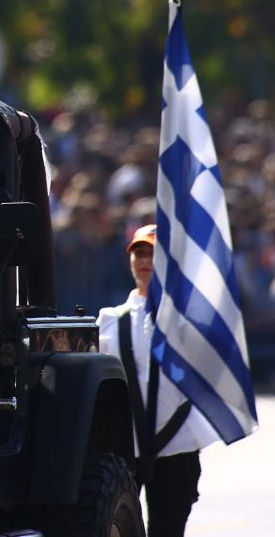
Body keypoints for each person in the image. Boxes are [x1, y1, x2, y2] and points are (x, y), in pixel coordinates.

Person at [96, 224, 219, 537]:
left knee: (167, 530)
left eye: (153, 253)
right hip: (126, 448)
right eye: (139, 252)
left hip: (176, 446)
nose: (145, 259)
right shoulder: (109, 320)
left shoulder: (187, 317)